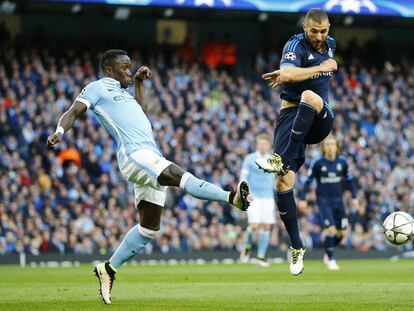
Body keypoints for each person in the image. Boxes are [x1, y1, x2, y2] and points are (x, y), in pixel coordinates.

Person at [46, 49, 251, 304]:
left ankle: (108, 269)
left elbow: (142, 112)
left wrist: (140, 85)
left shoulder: (125, 94)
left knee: (149, 228)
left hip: (149, 154)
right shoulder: (97, 88)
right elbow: (74, 111)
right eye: (124, 67)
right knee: (177, 174)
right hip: (134, 156)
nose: (129, 71)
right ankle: (232, 197)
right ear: (109, 70)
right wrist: (59, 131)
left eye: (130, 67)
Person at [255, 8, 337, 275]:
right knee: (282, 182)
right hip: (291, 116)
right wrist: (319, 68)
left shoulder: (331, 45)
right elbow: (287, 74)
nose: (319, 36)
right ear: (305, 27)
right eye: (314, 30)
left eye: (323, 31)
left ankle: (282, 159)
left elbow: (293, 76)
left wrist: (297, 74)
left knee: (310, 96)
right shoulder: (295, 44)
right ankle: (297, 246)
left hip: (319, 116)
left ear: (328, 28)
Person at [298, 135, 358, 270]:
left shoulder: (342, 162)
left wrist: (354, 197)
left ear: (337, 147)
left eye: (332, 144)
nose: (330, 147)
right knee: (330, 229)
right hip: (324, 201)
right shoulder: (318, 163)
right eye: (327, 144)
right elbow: (308, 182)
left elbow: (349, 180)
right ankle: (331, 259)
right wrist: (302, 199)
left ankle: (328, 251)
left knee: (342, 234)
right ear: (324, 147)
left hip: (339, 201)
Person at [239, 133, 276, 267]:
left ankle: (261, 257)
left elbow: (276, 180)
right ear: (257, 145)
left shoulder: (273, 160)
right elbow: (243, 177)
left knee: (266, 226)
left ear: (269, 145)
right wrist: (245, 193)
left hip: (268, 197)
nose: (263, 146)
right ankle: (247, 248)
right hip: (253, 196)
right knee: (254, 225)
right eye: (261, 143)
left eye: (265, 143)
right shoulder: (249, 159)